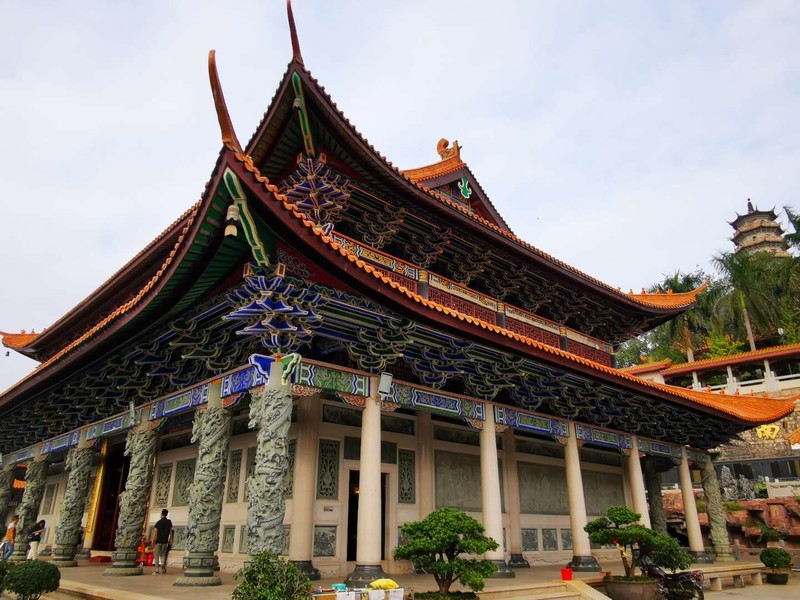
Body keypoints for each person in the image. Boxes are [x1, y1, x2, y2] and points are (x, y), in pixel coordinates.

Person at [149, 509, 173, 575]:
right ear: (166, 514)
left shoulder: (159, 522)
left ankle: (157, 570)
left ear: (161, 514)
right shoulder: (169, 522)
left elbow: (155, 532)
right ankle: (162, 564)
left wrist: (152, 540)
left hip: (158, 541)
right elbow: (170, 531)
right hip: (165, 541)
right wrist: (171, 539)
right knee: (163, 554)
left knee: (156, 555)